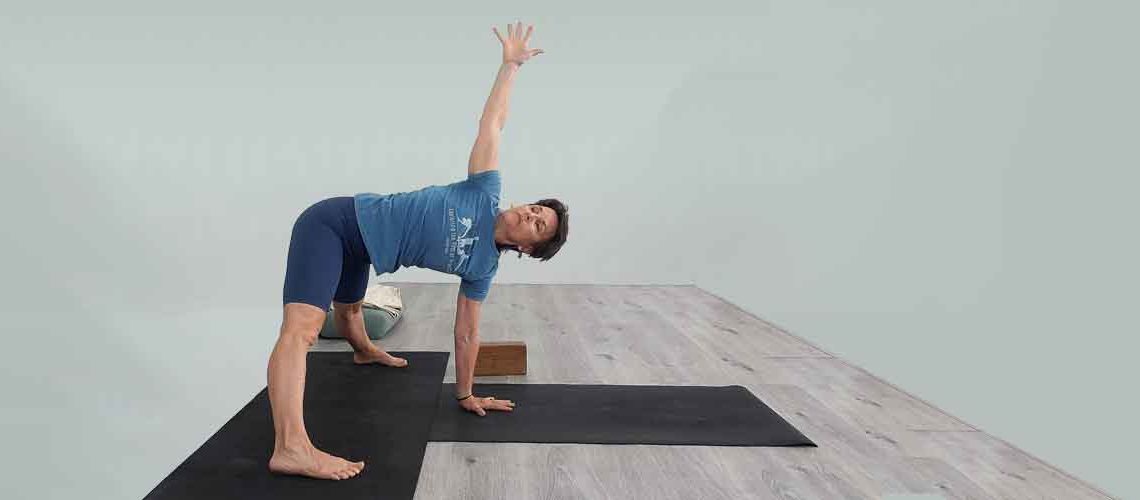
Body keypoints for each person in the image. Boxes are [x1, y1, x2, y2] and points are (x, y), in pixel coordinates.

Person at [266, 21, 567, 480]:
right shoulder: (484, 188)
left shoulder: (482, 268)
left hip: (362, 252)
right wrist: (509, 67)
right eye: (534, 208)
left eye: (539, 225)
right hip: (334, 223)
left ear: (529, 249)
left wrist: (466, 395)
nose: (530, 215)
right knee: (302, 331)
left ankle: (364, 351)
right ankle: (291, 446)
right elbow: (494, 122)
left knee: (349, 316)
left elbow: (467, 332)